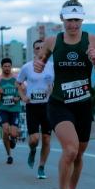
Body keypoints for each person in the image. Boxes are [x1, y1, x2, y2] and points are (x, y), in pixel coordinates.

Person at [34, 0, 95, 189]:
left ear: (82, 20)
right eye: (69, 20)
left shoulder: (92, 41)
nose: (73, 24)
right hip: (59, 104)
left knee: (78, 156)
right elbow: (41, 59)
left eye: (77, 20)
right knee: (70, 149)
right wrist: (39, 64)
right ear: (62, 20)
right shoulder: (53, 41)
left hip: (83, 105)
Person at [17, 39, 54, 179]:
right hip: (32, 106)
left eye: (42, 47)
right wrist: (23, 96)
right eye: (37, 48)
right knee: (34, 139)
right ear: (33, 50)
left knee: (46, 138)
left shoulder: (51, 66)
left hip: (47, 106)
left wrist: (52, 90)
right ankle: (32, 150)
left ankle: (41, 166)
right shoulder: (27, 67)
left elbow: (55, 84)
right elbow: (18, 83)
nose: (39, 49)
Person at [0, 57, 21, 164]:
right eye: (5, 66)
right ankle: (9, 155)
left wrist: (18, 97)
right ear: (2, 67)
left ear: (11, 67)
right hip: (3, 108)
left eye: (9, 66)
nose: (7, 68)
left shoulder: (17, 78)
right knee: (5, 130)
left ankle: (13, 138)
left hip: (15, 108)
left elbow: (23, 90)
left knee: (13, 133)